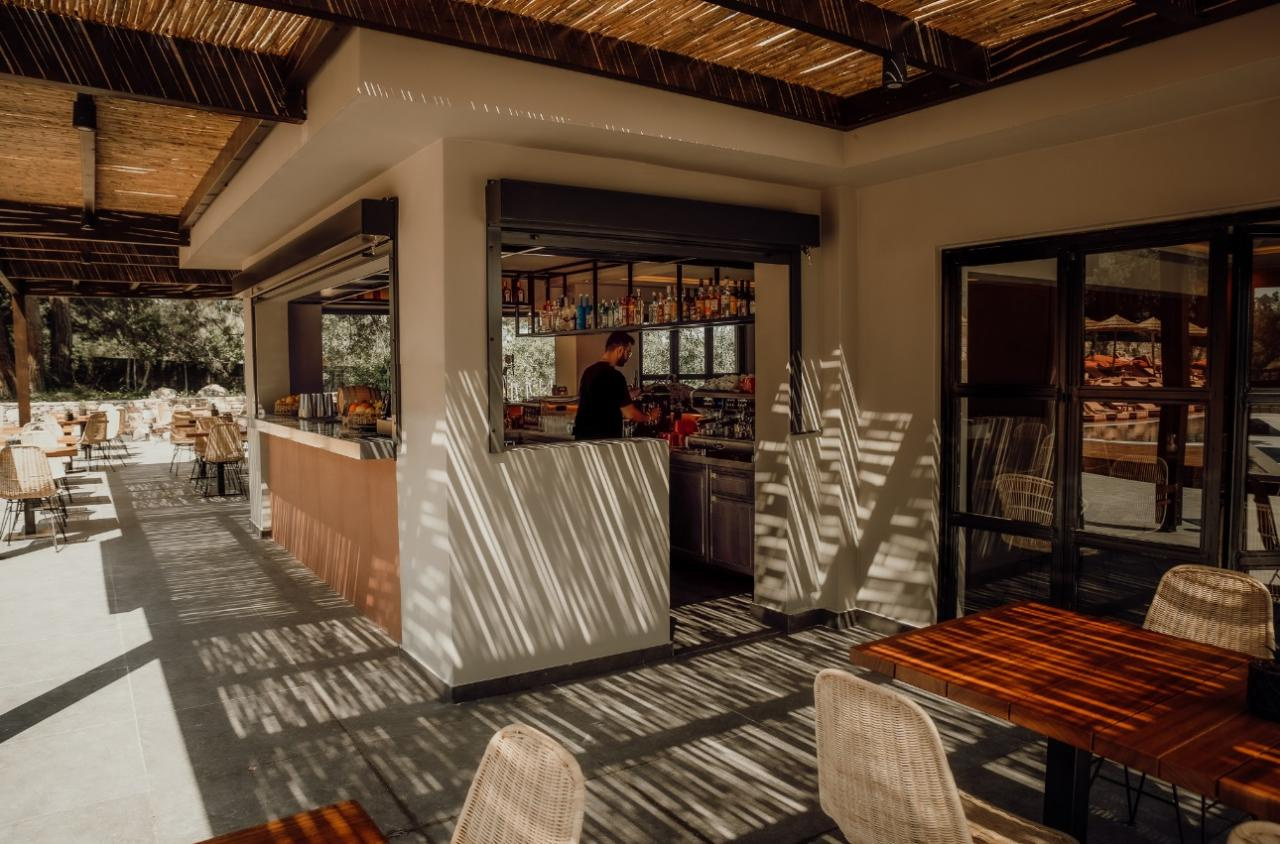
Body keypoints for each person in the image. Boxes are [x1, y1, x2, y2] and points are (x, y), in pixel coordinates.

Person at [574, 331, 656, 440]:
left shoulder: (588, 372)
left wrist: (630, 394)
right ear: (620, 350)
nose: (628, 357)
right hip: (604, 440)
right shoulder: (615, 376)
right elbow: (630, 414)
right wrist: (649, 417)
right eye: (628, 352)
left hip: (583, 439)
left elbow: (603, 398)